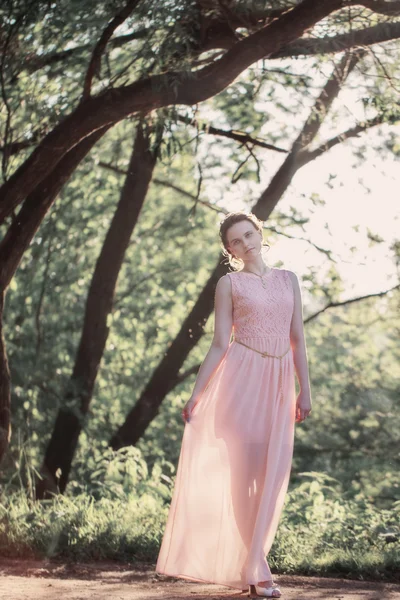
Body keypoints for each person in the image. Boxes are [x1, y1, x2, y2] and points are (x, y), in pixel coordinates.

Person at [156, 211, 312, 598]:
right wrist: (197, 393)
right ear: (229, 251)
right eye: (235, 242)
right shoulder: (228, 285)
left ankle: (252, 564)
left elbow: (298, 340)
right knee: (243, 483)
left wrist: (304, 389)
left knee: (270, 481)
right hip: (240, 385)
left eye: (248, 235)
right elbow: (219, 344)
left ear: (259, 233)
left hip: (277, 386)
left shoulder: (288, 280)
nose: (245, 244)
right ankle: (258, 569)